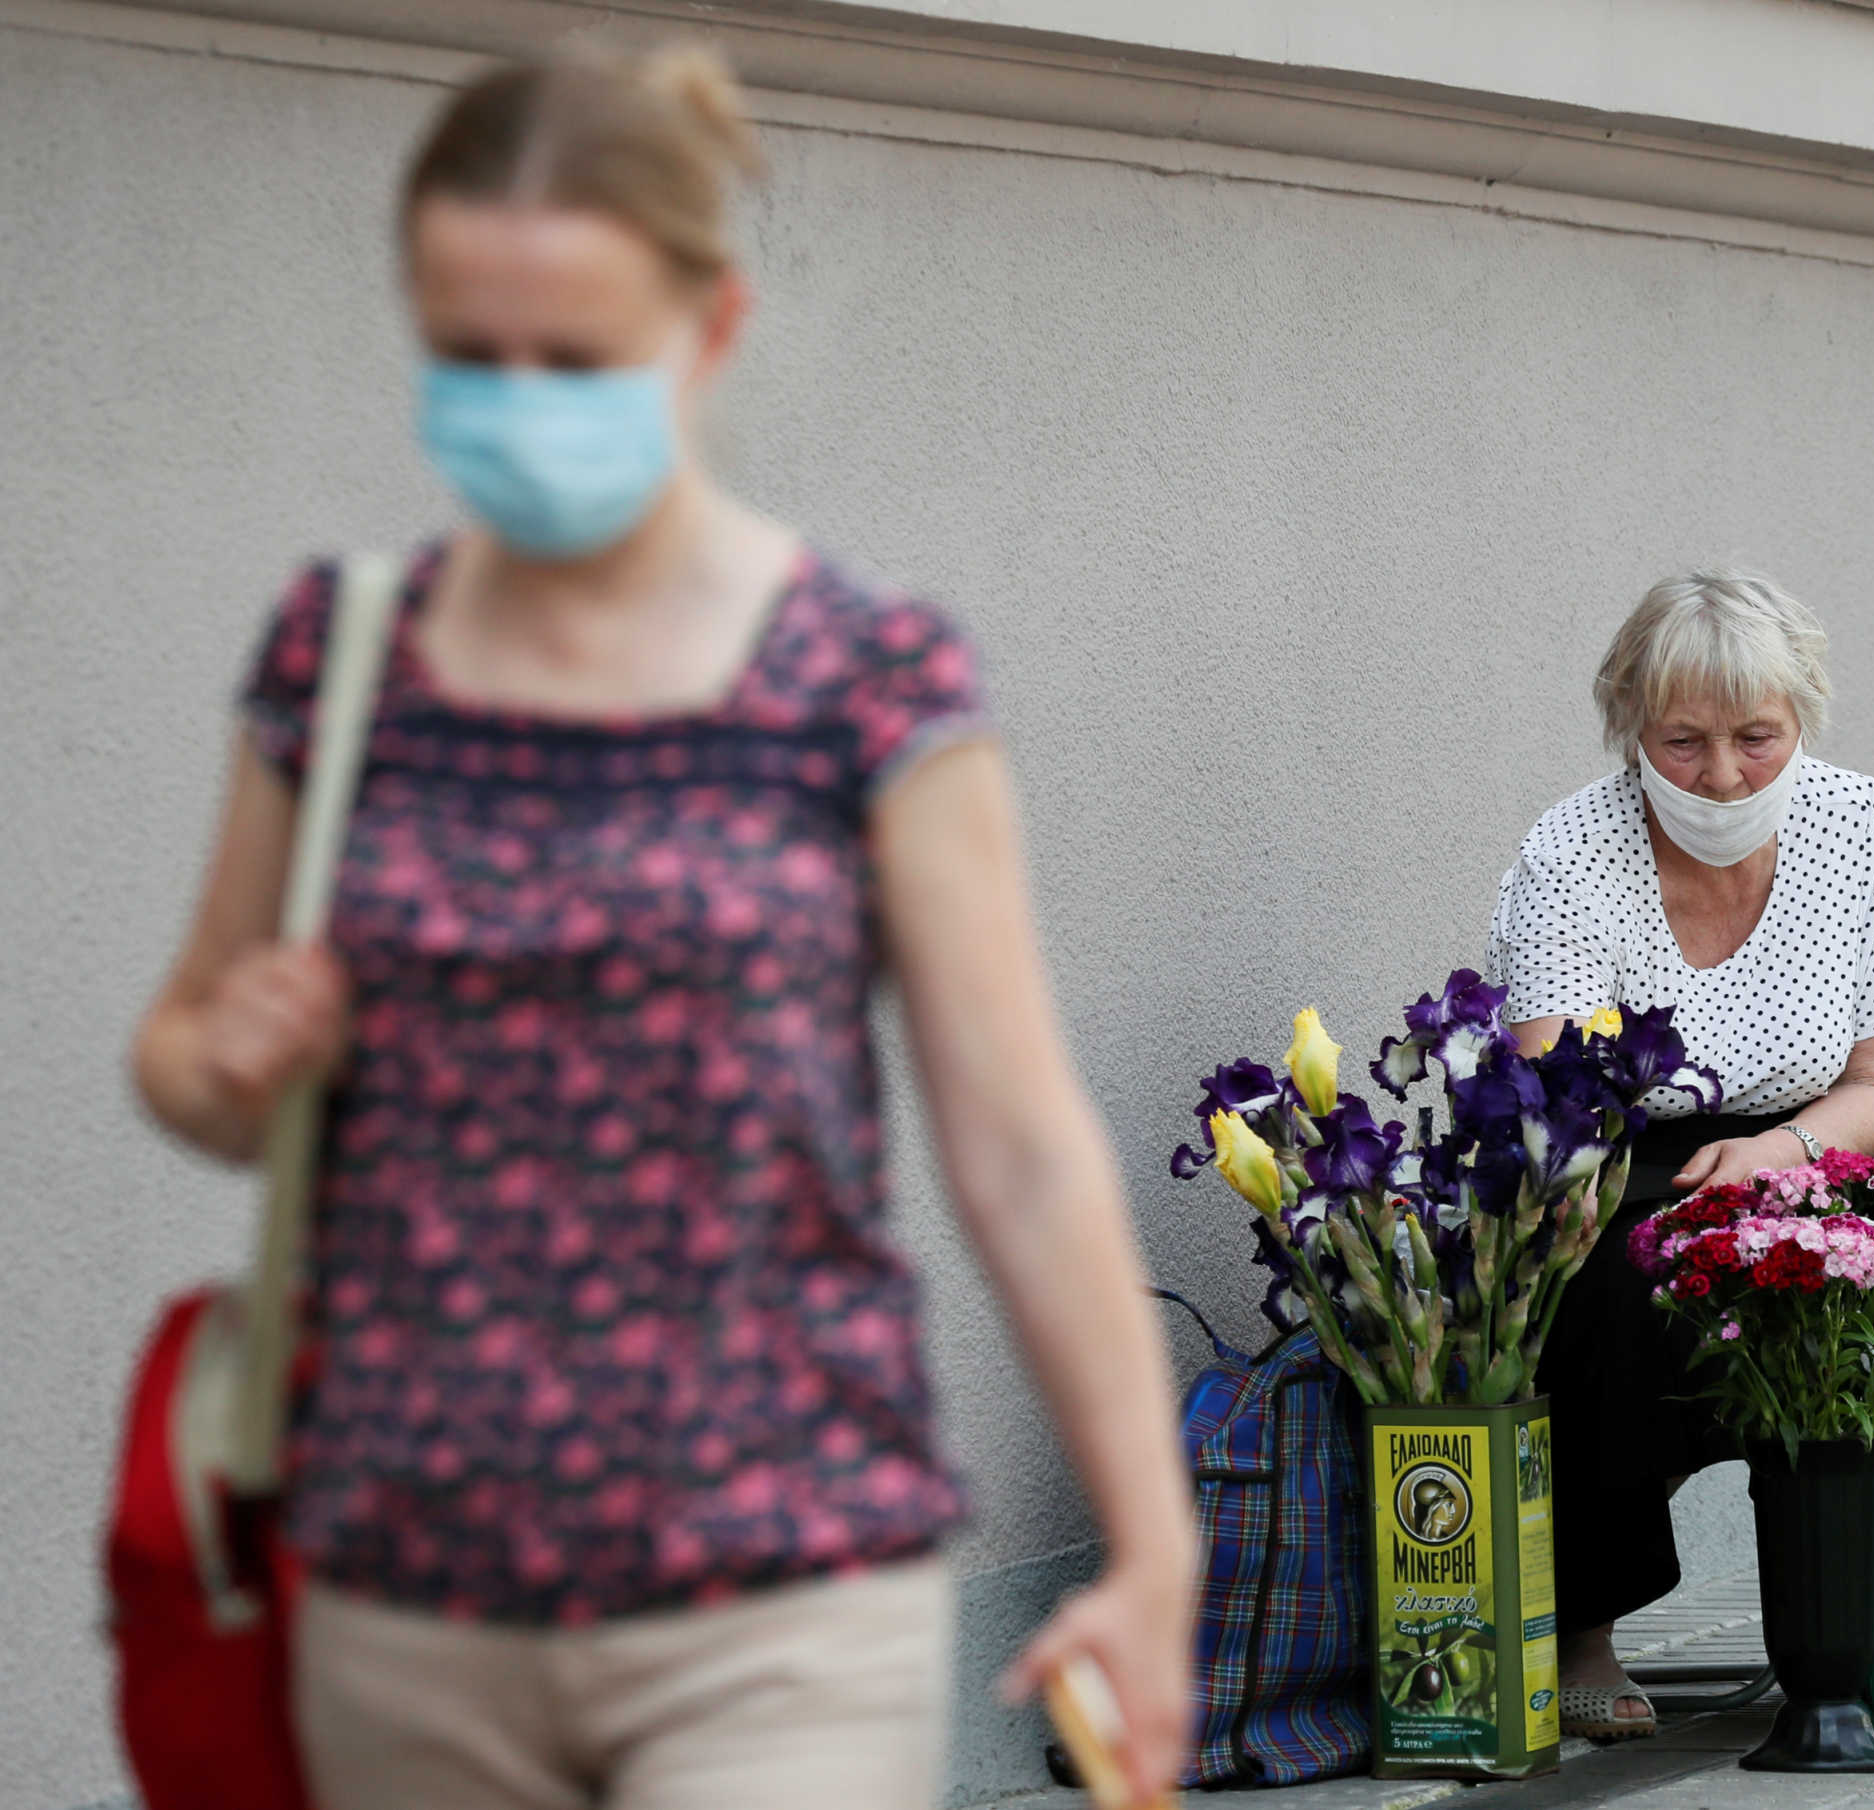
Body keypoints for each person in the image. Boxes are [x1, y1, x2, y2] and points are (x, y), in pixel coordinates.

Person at [129, 47, 1194, 1809]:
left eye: (574, 358)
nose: (518, 399)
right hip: (405, 1591)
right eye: (470, 354)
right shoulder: (341, 660)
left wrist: (1151, 1553)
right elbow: (185, 1057)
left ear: (708, 330)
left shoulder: (864, 673)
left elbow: (1017, 1144)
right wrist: (228, 1060)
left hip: (778, 1589)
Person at [1485, 570, 1874, 1742]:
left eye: (1755, 737)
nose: (1723, 773)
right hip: (1616, 1162)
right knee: (1619, 1291)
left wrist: (1776, 1153)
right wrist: (1707, 1177)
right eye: (1683, 741)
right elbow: (1557, 1103)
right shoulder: (1569, 852)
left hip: (1804, 1137)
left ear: (1802, 722)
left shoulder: (1849, 820)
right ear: (1632, 727)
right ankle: (1583, 1623)